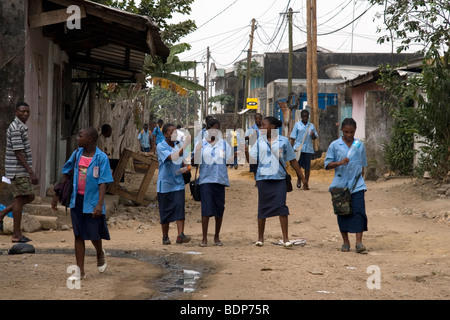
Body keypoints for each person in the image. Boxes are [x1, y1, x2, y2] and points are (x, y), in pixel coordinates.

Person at [52, 127, 113, 280]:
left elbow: (103, 183)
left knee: (93, 234)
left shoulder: (101, 157)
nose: (77, 139)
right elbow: (67, 173)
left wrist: (99, 204)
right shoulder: (77, 154)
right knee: (78, 235)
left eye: (80, 136)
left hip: (92, 202)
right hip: (76, 200)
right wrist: (56, 194)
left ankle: (99, 252)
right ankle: (80, 271)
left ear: (90, 139)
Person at [249, 116, 308, 248]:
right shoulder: (259, 141)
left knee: (281, 206)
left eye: (264, 125)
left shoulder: (284, 141)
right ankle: (260, 238)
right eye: (261, 125)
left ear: (273, 127)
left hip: (279, 179)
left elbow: (292, 160)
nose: (262, 127)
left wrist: (302, 178)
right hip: (263, 179)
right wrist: (245, 148)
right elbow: (252, 160)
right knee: (262, 207)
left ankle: (286, 238)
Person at [324, 118, 368, 253]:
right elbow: (327, 165)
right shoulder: (334, 145)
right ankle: (345, 242)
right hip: (340, 185)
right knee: (342, 213)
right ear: (342, 130)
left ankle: (359, 243)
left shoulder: (359, 145)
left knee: (359, 212)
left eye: (352, 132)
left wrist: (360, 178)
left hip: (357, 185)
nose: (349, 135)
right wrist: (339, 163)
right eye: (346, 132)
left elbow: (362, 165)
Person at [0, 102, 38, 243]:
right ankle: (16, 234)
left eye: (27, 111)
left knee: (27, 197)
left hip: (19, 170)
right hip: (18, 170)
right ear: (16, 112)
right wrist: (31, 172)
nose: (25, 114)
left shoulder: (21, 127)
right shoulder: (16, 128)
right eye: (22, 111)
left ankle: (2, 213)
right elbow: (18, 153)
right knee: (20, 199)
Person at [195, 119, 232, 247]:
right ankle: (204, 238)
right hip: (206, 180)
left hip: (220, 180)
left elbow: (228, 161)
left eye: (218, 129)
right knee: (206, 209)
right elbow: (195, 161)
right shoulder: (201, 144)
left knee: (219, 209)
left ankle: (217, 237)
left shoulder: (224, 144)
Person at [156, 123, 192, 245]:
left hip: (178, 183)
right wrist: (185, 146)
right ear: (165, 134)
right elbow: (172, 157)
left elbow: (184, 164)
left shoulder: (180, 145)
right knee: (165, 210)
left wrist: (185, 169)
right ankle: (165, 236)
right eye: (171, 133)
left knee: (179, 208)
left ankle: (180, 235)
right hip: (165, 184)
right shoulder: (161, 146)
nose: (174, 135)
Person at [289, 109, 318, 190]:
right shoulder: (297, 125)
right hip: (298, 149)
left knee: (307, 167)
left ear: (308, 116)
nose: (305, 118)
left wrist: (313, 135)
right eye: (303, 116)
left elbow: (315, 137)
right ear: (301, 117)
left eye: (306, 116)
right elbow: (293, 137)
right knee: (299, 166)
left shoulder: (311, 126)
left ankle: (306, 183)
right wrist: (290, 149)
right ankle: (300, 179)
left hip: (308, 149)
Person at [245, 113, 262, 177]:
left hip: (262, 149)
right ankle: (256, 179)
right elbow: (245, 137)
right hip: (254, 149)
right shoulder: (251, 128)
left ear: (261, 119)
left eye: (259, 119)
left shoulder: (264, 128)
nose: (258, 120)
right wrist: (251, 136)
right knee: (254, 164)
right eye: (256, 119)